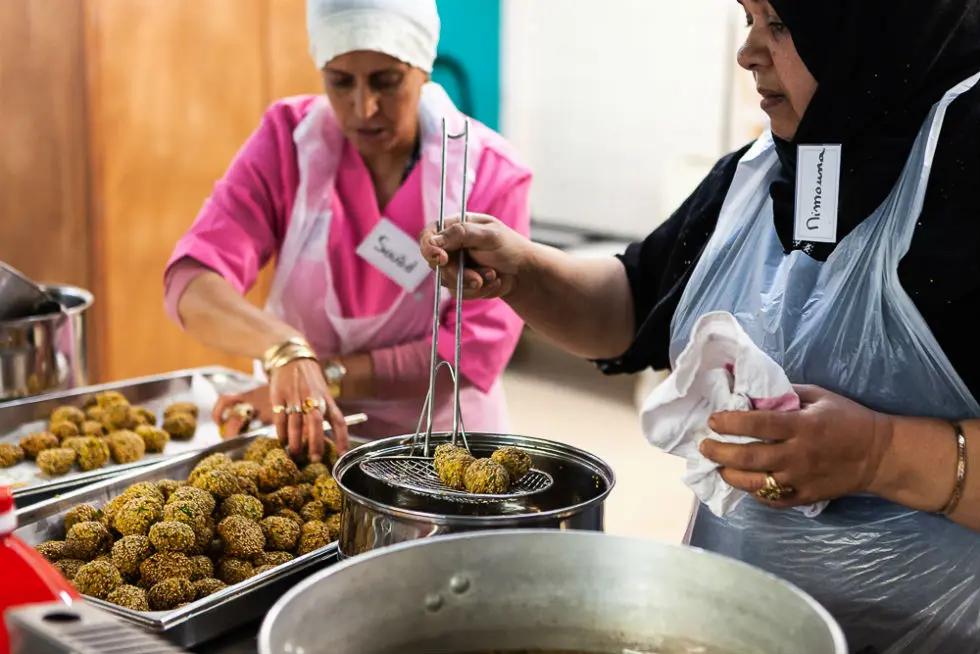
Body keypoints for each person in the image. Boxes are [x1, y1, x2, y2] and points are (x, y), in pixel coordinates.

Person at [420, 1, 980, 651]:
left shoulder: (964, 175)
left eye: (782, 24)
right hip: (737, 622)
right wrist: (525, 271)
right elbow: (631, 305)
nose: (748, 52)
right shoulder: (771, 168)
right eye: (749, 18)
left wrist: (879, 453)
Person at [164, 0, 531, 459]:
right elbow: (190, 282)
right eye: (340, 82)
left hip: (443, 450)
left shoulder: (489, 173)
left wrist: (323, 376)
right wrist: (285, 352)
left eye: (386, 81)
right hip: (309, 443)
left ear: (423, 68)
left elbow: (474, 351)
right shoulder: (287, 143)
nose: (364, 107)